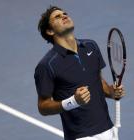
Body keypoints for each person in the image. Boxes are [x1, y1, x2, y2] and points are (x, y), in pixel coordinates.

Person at [34, 6, 125, 140]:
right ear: (50, 30)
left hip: (108, 130)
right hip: (81, 136)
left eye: (65, 14)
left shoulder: (91, 46)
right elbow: (43, 107)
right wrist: (73, 101)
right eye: (57, 17)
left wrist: (112, 92)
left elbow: (99, 82)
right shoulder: (47, 65)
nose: (64, 16)